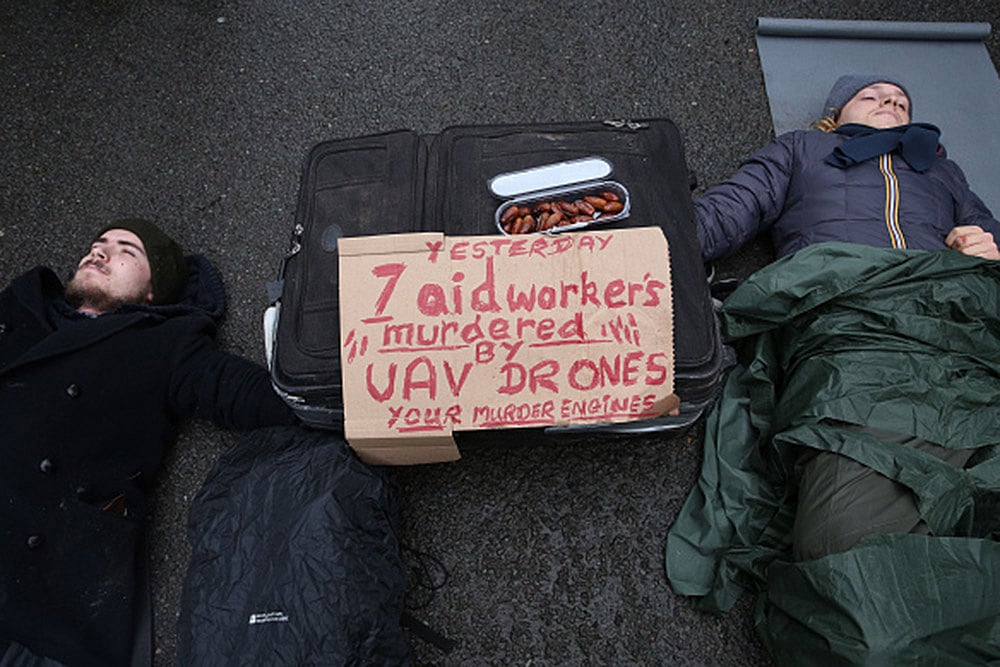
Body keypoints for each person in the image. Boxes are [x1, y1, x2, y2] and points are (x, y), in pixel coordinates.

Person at [692, 74, 1000, 561]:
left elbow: (987, 230)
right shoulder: (804, 150)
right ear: (836, 115)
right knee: (843, 541)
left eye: (900, 102)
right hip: (847, 309)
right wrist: (653, 245)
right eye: (872, 97)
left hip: (951, 309)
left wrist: (986, 245)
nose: (890, 104)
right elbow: (732, 208)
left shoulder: (943, 173)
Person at [0, 218, 297, 666]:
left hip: (46, 584)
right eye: (98, 244)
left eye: (126, 251)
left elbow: (251, 395)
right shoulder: (19, 310)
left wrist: (370, 398)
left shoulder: (163, 343)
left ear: (153, 290)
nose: (99, 252)